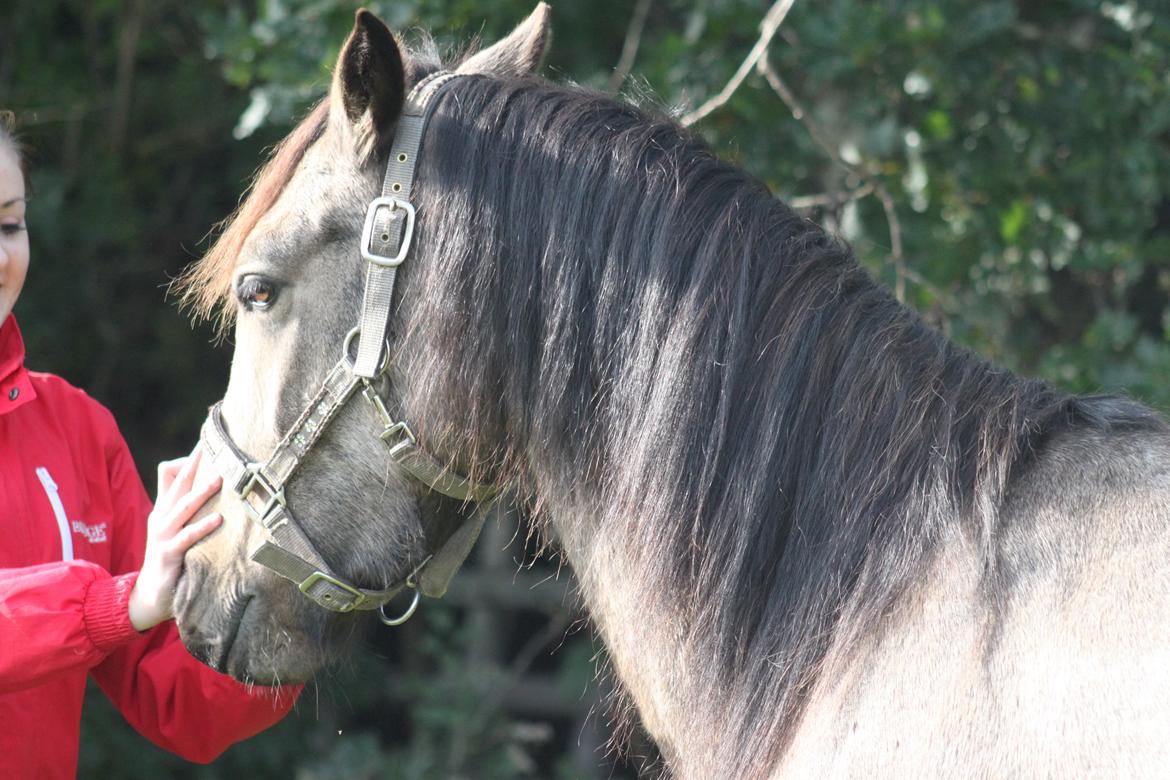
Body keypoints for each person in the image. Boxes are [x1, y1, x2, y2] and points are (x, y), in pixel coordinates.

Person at [0, 112, 299, 777]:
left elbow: (181, 694)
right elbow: (127, 606)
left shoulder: (78, 430)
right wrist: (118, 604)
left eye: (10, 224)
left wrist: (295, 601)